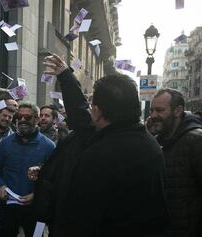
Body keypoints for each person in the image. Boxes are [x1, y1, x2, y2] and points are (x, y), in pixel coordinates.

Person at [35, 54, 169, 236]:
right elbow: (82, 119)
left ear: (97, 112)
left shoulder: (98, 155)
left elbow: (79, 219)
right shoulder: (148, 144)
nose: (89, 112)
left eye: (92, 106)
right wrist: (66, 77)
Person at [0, 102, 55, 236]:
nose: (22, 120)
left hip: (37, 210)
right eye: (19, 116)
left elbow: (55, 179)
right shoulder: (5, 143)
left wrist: (37, 194)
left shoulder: (49, 146)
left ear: (37, 120)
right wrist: (0, 186)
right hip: (8, 207)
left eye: (28, 117)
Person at [150, 88, 202, 237]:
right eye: (152, 110)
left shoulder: (196, 141)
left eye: (159, 110)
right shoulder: (157, 142)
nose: (153, 115)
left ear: (178, 111)